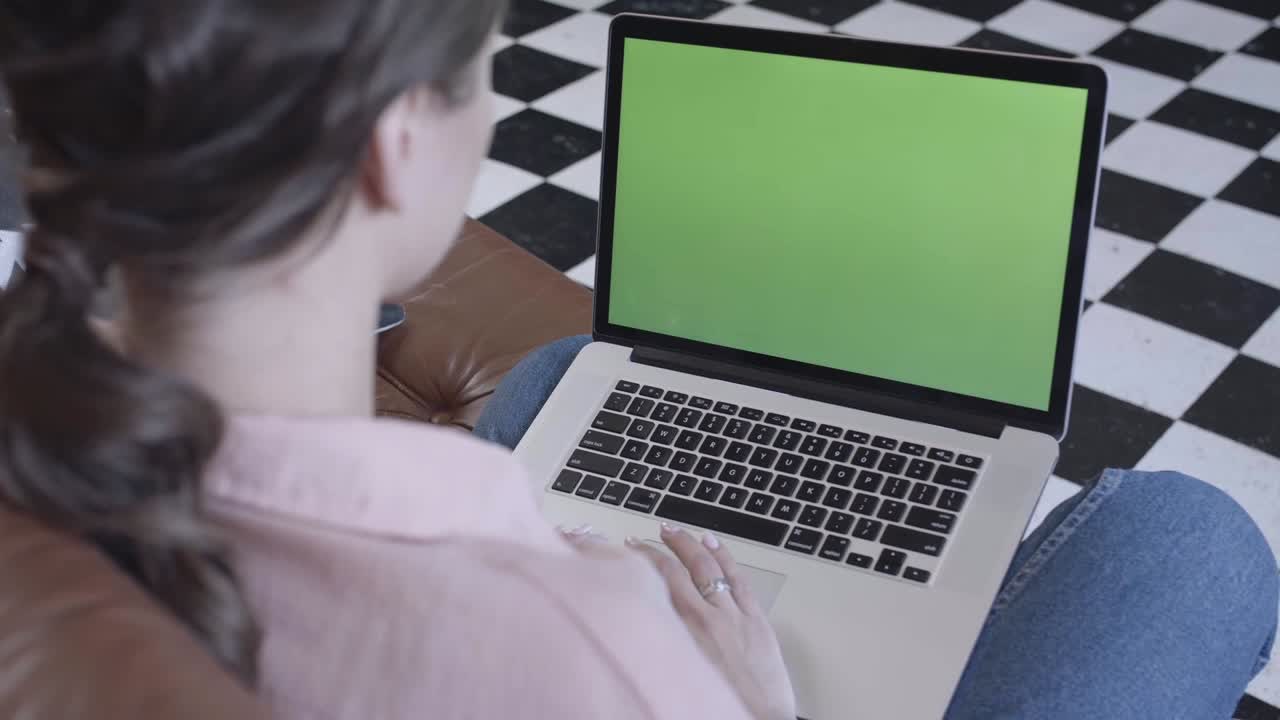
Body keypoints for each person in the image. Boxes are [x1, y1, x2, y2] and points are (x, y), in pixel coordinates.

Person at [0, 2, 1272, 718]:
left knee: (569, 374)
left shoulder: (39, 439)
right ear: (394, 142)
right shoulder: (590, 659)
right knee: (1182, 531)